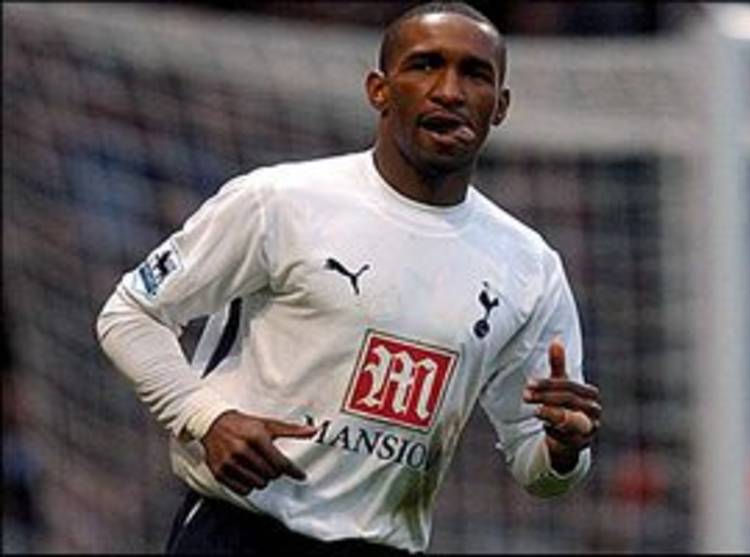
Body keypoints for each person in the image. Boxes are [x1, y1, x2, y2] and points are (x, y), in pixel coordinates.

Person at [96, 2, 602, 554]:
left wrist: (564, 449)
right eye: (425, 65)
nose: (450, 91)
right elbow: (130, 313)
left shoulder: (529, 267)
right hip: (239, 532)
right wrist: (207, 418)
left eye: (475, 74)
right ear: (379, 90)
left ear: (499, 106)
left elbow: (539, 470)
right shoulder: (280, 201)